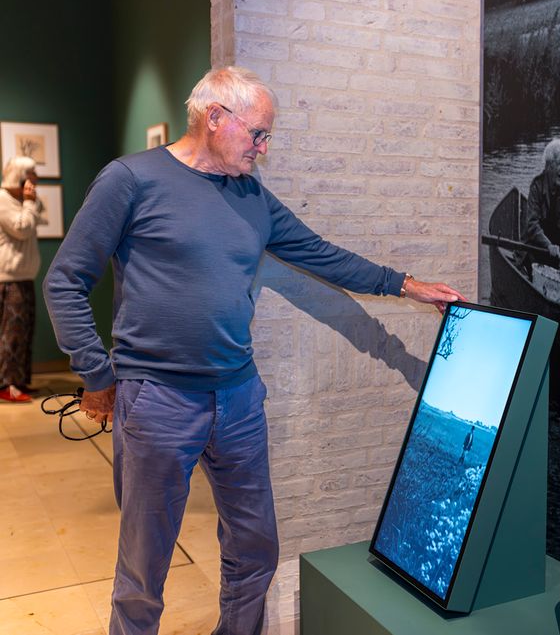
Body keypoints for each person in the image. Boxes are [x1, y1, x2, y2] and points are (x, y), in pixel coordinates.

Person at [43, 66, 464, 634]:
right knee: (144, 569)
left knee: (256, 549)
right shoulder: (130, 180)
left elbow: (322, 254)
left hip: (238, 396)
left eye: (268, 138)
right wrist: (95, 374)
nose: (263, 148)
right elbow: (64, 280)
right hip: (157, 401)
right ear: (215, 118)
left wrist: (406, 284)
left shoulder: (252, 197)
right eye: (258, 134)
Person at [0, 156, 46, 403]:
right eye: (32, 173)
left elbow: (38, 218)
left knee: (23, 331)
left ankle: (19, 382)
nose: (36, 178)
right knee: (12, 332)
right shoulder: (3, 200)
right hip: (8, 279)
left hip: (22, 277)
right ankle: (8, 386)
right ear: (21, 176)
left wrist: (30, 203)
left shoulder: (20, 201)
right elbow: (22, 228)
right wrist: (29, 204)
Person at [519, 138, 560, 277]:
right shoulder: (537, 187)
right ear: (548, 166)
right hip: (535, 247)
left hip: (556, 252)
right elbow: (532, 225)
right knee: (528, 272)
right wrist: (548, 245)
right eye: (558, 163)